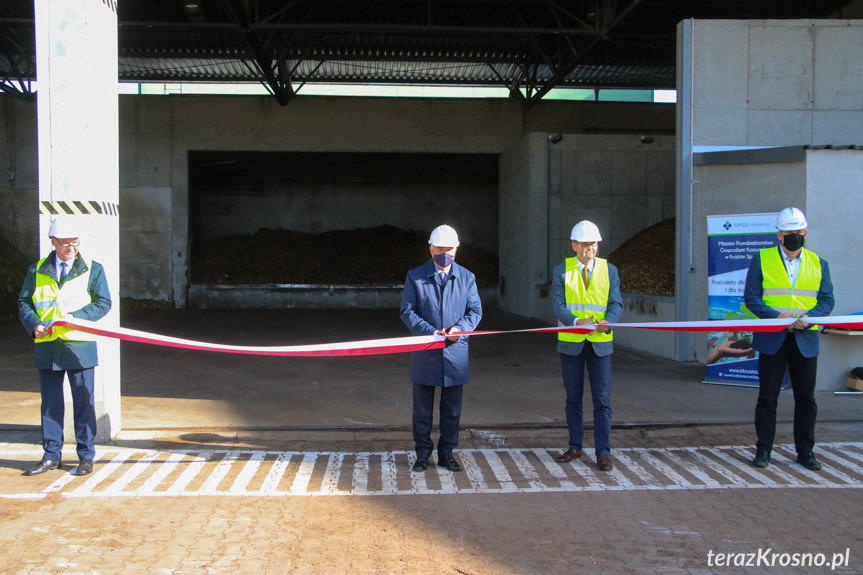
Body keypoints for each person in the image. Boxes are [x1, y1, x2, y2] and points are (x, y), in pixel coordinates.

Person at [17, 217, 112, 476]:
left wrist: (77, 318)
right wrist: (34, 324)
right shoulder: (37, 270)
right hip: (48, 347)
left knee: (84, 402)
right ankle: (51, 455)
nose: (70, 247)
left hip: (79, 347)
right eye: (65, 243)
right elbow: (24, 303)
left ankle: (85, 456)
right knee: (50, 403)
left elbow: (103, 302)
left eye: (75, 242)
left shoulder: (93, 268)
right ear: (52, 242)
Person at [744, 207, 834, 471]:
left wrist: (811, 317)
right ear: (778, 235)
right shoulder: (762, 259)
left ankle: (805, 452)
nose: (794, 236)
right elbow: (751, 298)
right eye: (788, 232)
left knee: (806, 399)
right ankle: (763, 451)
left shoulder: (819, 263)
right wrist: (776, 315)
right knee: (768, 398)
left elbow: (827, 300)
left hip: (805, 340)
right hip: (773, 338)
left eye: (798, 232)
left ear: (805, 232)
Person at [399, 224, 482, 473]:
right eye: (440, 248)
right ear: (430, 248)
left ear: (456, 250)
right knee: (422, 409)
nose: (444, 253)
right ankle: (422, 454)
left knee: (452, 410)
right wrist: (429, 332)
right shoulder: (415, 276)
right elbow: (407, 310)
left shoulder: (467, 278)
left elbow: (475, 311)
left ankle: (447, 453)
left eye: (449, 249)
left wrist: (460, 330)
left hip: (455, 353)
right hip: (426, 350)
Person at [552, 220, 623, 472]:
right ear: (574, 245)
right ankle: (575, 446)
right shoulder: (562, 270)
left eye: (593, 245)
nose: (589, 249)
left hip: (600, 344)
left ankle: (603, 452)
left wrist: (609, 321)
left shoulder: (609, 270)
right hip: (572, 342)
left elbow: (616, 304)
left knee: (602, 400)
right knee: (573, 398)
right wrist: (575, 321)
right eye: (584, 245)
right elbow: (558, 305)